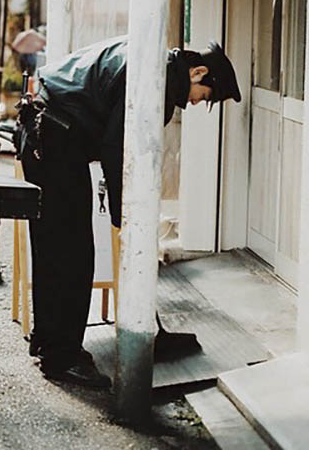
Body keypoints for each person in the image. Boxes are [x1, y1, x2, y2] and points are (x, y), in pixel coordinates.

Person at [15, 36, 241, 389]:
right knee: (72, 252)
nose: (199, 104)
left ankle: (48, 341)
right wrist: (127, 214)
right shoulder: (157, 77)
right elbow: (118, 147)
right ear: (198, 72)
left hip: (45, 132)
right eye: (206, 96)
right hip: (55, 139)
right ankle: (62, 357)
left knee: (54, 246)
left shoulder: (153, 60)